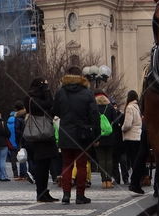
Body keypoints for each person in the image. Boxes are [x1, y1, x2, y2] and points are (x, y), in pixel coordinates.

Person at [52, 65, 99, 204]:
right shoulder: (87, 92)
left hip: (66, 132)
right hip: (82, 134)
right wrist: (95, 133)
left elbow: (55, 111)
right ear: (81, 77)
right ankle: (80, 195)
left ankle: (66, 195)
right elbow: (94, 115)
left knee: (66, 165)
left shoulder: (60, 92)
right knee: (81, 166)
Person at [23, 76, 58, 202]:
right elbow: (48, 104)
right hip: (40, 136)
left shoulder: (33, 97)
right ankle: (41, 192)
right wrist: (47, 91)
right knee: (41, 166)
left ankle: (44, 192)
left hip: (44, 136)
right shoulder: (32, 99)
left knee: (45, 166)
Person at [121, 89, 144, 193]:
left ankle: (134, 182)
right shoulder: (138, 107)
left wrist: (122, 128)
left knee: (133, 161)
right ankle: (137, 181)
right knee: (137, 160)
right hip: (138, 136)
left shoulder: (130, 107)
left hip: (130, 137)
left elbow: (128, 124)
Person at [93, 91, 118, 188]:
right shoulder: (110, 108)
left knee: (101, 160)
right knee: (109, 160)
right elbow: (115, 122)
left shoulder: (95, 109)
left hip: (99, 137)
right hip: (110, 137)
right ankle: (109, 181)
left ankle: (103, 181)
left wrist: (95, 138)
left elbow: (94, 124)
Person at [6, 103, 27, 181]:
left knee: (13, 159)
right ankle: (23, 174)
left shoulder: (9, 120)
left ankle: (15, 174)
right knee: (22, 158)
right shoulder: (20, 119)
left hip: (11, 142)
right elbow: (20, 131)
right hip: (19, 142)